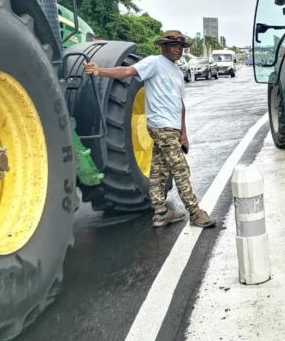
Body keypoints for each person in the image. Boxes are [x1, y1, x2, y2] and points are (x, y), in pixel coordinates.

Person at [84, 30, 215, 228]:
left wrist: (184, 134)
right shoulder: (154, 62)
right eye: (173, 45)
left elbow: (180, 104)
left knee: (158, 171)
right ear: (163, 47)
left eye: (180, 47)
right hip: (161, 127)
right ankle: (195, 213)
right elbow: (127, 72)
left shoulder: (178, 72)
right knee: (180, 169)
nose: (177, 50)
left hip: (172, 128)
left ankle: (161, 213)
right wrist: (100, 71)